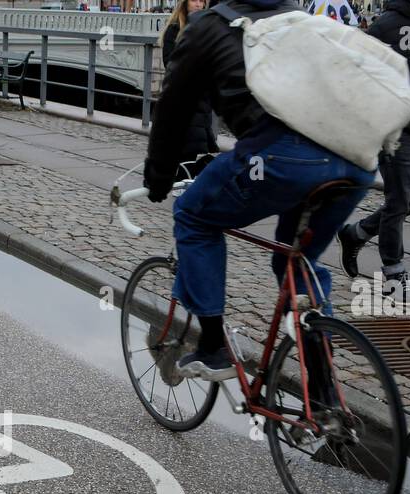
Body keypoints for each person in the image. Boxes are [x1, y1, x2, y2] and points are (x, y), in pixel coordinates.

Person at [143, 0, 376, 381]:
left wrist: (159, 175)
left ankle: (213, 347)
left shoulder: (208, 26)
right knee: (295, 258)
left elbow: (173, 110)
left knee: (193, 216)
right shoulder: (300, 17)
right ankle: (323, 399)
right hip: (355, 157)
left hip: (283, 156)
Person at [337, 0, 410, 297]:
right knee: (398, 201)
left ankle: (356, 233)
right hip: (397, 133)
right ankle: (394, 273)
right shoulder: (385, 26)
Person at [158, 0, 214, 173]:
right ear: (185, 3)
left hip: (201, 98)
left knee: (196, 146)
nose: (199, 4)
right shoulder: (174, 29)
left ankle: (186, 183)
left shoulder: (206, 27)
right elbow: (170, 62)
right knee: (188, 146)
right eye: (194, 0)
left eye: (202, 1)